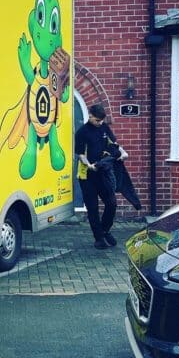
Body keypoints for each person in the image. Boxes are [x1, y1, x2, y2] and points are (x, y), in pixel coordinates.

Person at [75, 103, 120, 250]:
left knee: (112, 203)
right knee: (93, 208)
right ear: (90, 116)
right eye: (97, 120)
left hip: (102, 173)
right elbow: (81, 155)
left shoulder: (104, 128)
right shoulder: (82, 132)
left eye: (101, 121)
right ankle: (99, 238)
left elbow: (114, 145)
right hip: (87, 175)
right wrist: (89, 165)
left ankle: (105, 230)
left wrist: (122, 153)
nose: (99, 123)